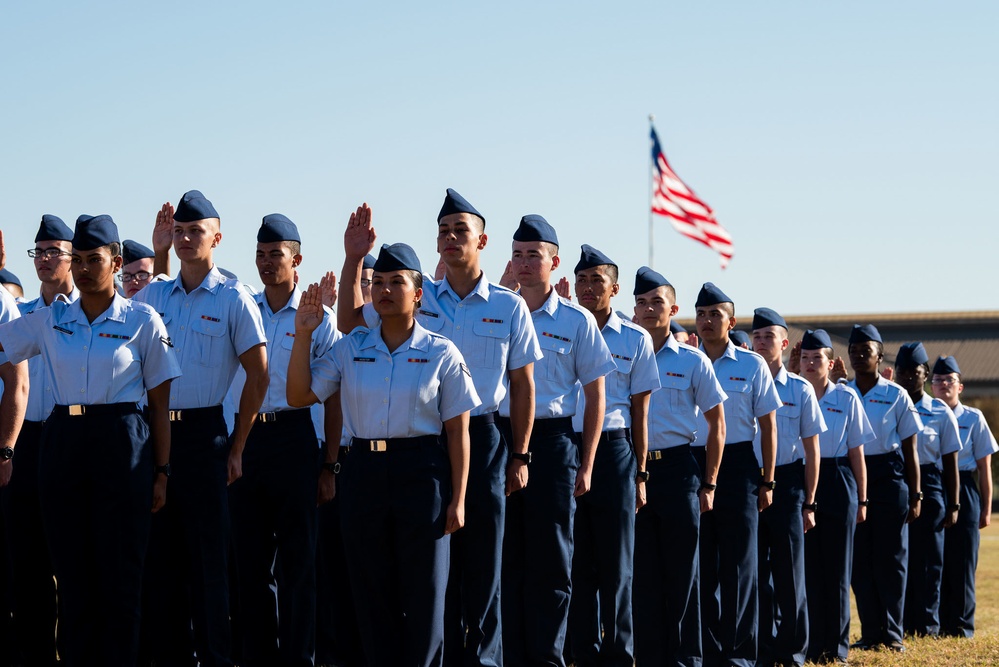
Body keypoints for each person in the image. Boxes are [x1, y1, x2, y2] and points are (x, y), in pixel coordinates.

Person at [288, 242, 479, 667]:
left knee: (425, 596)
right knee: (372, 595)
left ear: (419, 294)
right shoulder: (350, 347)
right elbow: (299, 395)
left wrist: (459, 498)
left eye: (397, 282)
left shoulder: (441, 353)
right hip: (365, 473)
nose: (385, 290)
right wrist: (303, 335)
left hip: (423, 474)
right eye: (378, 283)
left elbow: (458, 431)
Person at [0, 215, 179, 666]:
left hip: (122, 443)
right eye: (76, 259)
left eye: (92, 260)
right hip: (63, 445)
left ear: (116, 263)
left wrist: (161, 471)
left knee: (120, 580)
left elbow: (159, 407)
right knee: (73, 578)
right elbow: (5, 344)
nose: (82, 269)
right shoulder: (50, 319)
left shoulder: (142, 319)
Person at [134, 190, 268, 667]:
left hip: (205, 437)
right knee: (161, 563)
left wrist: (238, 445)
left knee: (210, 564)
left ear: (217, 237)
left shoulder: (234, 298)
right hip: (154, 437)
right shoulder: (152, 295)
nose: (187, 238)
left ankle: (215, 658)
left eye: (196, 231)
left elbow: (260, 373)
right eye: (180, 231)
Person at [498, 215, 614, 667]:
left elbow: (596, 394)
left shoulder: (575, 320)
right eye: (518, 255)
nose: (524, 264)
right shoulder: (497, 309)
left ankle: (547, 657)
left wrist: (586, 464)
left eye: (534, 255)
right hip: (499, 436)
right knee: (504, 556)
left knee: (551, 557)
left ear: (554, 262)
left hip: (553, 443)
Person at [227, 214, 340, 665]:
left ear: (298, 260)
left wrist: (329, 464)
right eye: (260, 254)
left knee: (299, 564)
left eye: (276, 254)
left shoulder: (319, 319)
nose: (266, 262)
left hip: (295, 440)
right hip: (247, 438)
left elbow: (333, 399)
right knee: (249, 565)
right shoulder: (244, 310)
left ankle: (299, 658)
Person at [566, 248, 659, 666]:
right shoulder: (564, 326)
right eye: (581, 279)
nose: (587, 288)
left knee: (617, 564)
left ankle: (620, 654)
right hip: (567, 447)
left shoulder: (635, 338)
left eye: (596, 281)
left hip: (614, 451)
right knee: (575, 559)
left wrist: (640, 472)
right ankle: (583, 652)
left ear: (614, 289)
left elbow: (640, 412)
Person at [631, 267, 725, 666]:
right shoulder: (623, 351)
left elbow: (716, 423)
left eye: (656, 302)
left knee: (683, 573)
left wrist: (710, 483)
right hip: (633, 469)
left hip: (677, 471)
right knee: (642, 575)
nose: (649, 310)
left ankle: (686, 659)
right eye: (641, 303)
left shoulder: (692, 360)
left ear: (673, 308)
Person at [3, 215, 79, 666]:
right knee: (27, 566)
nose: (46, 260)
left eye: (55, 251)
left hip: (72, 438)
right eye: (40, 252)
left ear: (73, 258)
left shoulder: (87, 311)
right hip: (29, 442)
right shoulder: (23, 315)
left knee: (70, 562)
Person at [692, 283, 780, 667]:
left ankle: (741, 656)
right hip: (693, 465)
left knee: (741, 567)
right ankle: (709, 652)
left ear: (731, 321)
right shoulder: (686, 360)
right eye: (701, 314)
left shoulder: (751, 364)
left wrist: (768, 479)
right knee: (701, 566)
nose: (708, 321)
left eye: (715, 314)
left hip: (740, 466)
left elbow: (769, 426)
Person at [750, 308, 825, 667]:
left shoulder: (800, 388)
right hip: (748, 482)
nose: (762, 343)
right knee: (753, 572)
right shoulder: (740, 379)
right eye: (757, 336)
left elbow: (812, 449)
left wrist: (810, 502)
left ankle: (793, 651)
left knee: (790, 574)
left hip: (789, 483)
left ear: (784, 343)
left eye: (769, 337)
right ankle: (762, 649)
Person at [846, 324, 922, 653]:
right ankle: (870, 630)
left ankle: (892, 633)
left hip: (890, 476)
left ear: (880, 356)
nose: (860, 356)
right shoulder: (842, 392)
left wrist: (916, 493)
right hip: (853, 477)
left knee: (891, 559)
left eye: (866, 351)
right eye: (854, 351)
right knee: (860, 559)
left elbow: (911, 450)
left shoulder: (896, 394)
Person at [798, 329, 872, 665]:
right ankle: (813, 644)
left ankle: (837, 648)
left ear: (831, 364)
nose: (811, 364)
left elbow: (858, 451)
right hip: (801, 478)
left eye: (817, 359)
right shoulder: (793, 393)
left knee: (839, 570)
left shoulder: (846, 398)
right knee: (809, 569)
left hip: (839, 478)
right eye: (805, 358)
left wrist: (863, 498)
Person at [895, 342, 961, 637]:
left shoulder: (940, 412)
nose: (909, 377)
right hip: (896, 482)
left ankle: (927, 625)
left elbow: (951, 462)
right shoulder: (889, 404)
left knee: (929, 560)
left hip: (932, 484)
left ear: (926, 374)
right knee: (896, 558)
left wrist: (954, 503)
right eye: (903, 372)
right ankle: (902, 623)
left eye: (915, 372)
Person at [933, 356, 997, 638]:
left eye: (950, 381)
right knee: (935, 560)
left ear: (960, 387)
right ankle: (934, 623)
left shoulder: (973, 417)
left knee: (963, 560)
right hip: (934, 486)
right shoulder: (922, 414)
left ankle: (961, 626)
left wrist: (985, 509)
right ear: (930, 386)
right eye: (938, 380)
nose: (944, 385)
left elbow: (984, 467)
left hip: (966, 488)